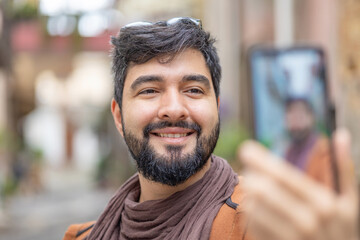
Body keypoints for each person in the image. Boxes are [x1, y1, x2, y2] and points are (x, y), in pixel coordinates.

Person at [63, 17, 358, 240]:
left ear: (216, 108)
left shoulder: (264, 226)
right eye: (150, 90)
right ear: (118, 116)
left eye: (192, 90)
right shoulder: (83, 236)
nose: (174, 108)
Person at [284, 98, 334, 188]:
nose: (296, 123)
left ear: (311, 118)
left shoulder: (323, 150)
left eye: (300, 116)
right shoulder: (289, 152)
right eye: (292, 117)